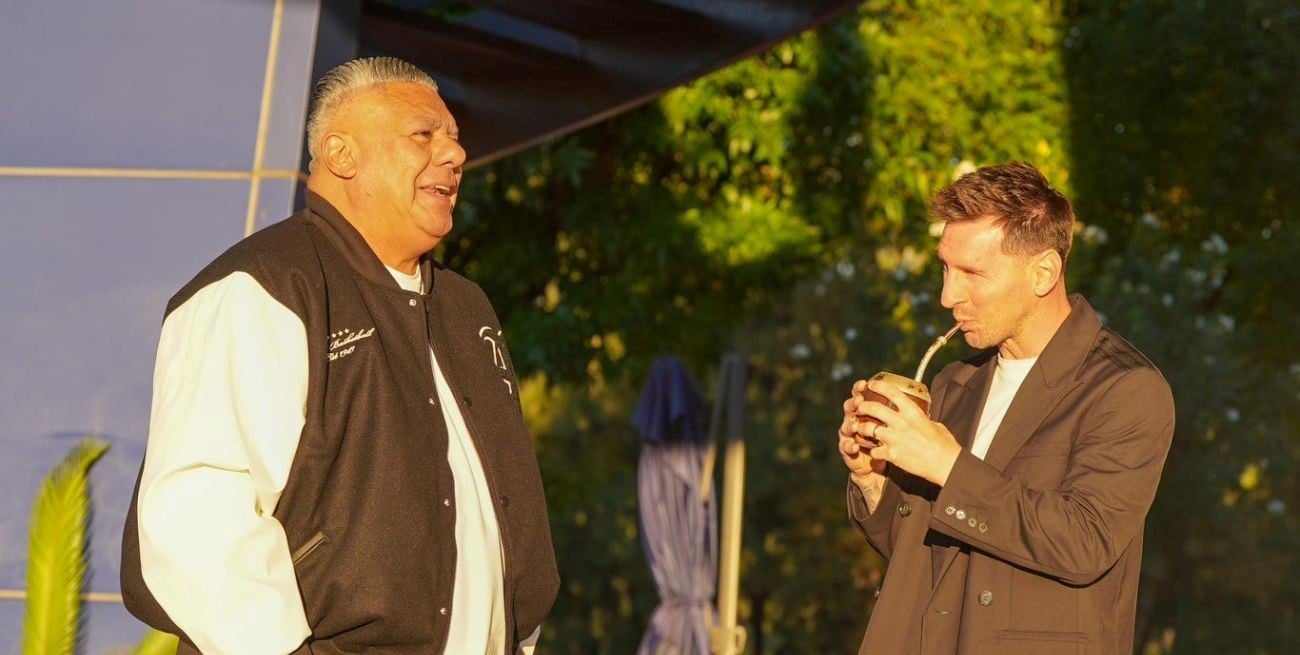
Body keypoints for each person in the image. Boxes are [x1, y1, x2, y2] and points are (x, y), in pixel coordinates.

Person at [120, 57, 559, 654]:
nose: (455, 155)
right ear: (341, 154)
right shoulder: (261, 288)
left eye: (455, 139)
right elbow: (196, 514)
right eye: (424, 134)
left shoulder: (465, 308)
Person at [837, 162, 1174, 654]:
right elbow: (919, 553)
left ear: (1043, 272)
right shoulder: (954, 383)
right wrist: (873, 480)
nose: (948, 295)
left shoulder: (1125, 389)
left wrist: (946, 465)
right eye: (945, 268)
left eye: (973, 273)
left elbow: (1085, 542)